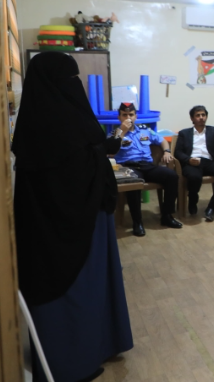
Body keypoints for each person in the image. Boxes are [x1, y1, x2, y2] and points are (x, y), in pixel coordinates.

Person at [13, 52, 133, 381]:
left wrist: (103, 148)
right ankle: (72, 362)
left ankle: (98, 345)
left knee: (92, 288)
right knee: (80, 290)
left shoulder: (35, 122)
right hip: (74, 223)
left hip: (73, 219)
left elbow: (86, 153)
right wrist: (100, 151)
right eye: (70, 79)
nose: (75, 85)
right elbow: (73, 168)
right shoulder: (60, 124)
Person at [109, 102, 182, 236]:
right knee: (133, 182)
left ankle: (167, 216)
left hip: (148, 166)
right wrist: (122, 132)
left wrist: (166, 151)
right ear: (119, 117)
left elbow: (162, 140)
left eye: (131, 114)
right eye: (124, 115)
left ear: (135, 116)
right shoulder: (115, 133)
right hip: (128, 166)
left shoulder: (145, 130)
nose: (128, 117)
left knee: (172, 176)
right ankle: (137, 222)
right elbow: (109, 149)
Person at [174, 105, 214, 222]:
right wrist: (188, 160)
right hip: (192, 162)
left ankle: (212, 207)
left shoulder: (213, 131)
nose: (201, 117)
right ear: (192, 118)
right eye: (198, 115)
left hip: (209, 162)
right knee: (194, 177)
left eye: (203, 115)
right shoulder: (184, 133)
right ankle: (193, 198)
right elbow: (178, 152)